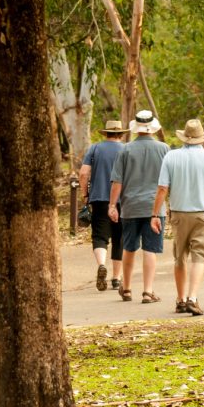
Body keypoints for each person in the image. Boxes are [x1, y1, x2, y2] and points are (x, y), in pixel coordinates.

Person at [151, 119, 204, 316]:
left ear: (184, 137)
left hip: (178, 214)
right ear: (201, 139)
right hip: (202, 214)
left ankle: (180, 299)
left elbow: (162, 188)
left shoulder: (171, 157)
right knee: (199, 256)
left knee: (180, 256)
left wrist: (155, 214)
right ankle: (193, 297)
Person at [109, 110, 170, 304]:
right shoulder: (164, 149)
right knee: (150, 249)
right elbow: (168, 182)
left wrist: (112, 205)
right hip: (155, 208)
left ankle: (126, 289)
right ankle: (147, 291)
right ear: (152, 128)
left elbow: (117, 181)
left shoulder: (125, 150)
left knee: (129, 247)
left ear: (136, 128)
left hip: (130, 207)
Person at [79, 120, 128, 292]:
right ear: (121, 134)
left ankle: (101, 265)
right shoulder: (126, 149)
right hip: (123, 199)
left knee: (100, 235)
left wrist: (85, 195)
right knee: (119, 237)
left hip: (99, 198)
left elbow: (84, 173)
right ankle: (116, 278)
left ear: (106, 133)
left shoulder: (95, 148)